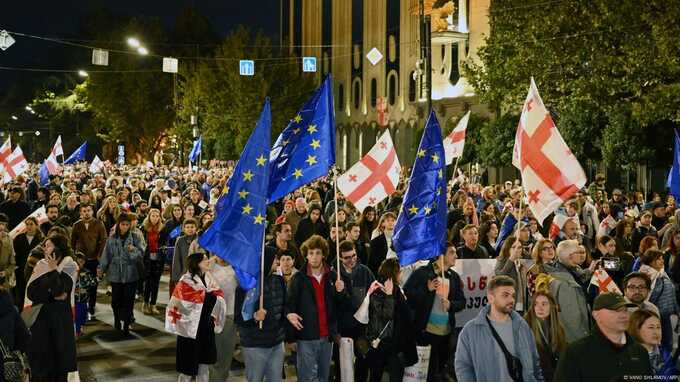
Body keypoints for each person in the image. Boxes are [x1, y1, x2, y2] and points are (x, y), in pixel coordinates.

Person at [455, 275, 544, 382]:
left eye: (513, 295)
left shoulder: (522, 326)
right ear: (491, 298)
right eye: (505, 295)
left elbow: (535, 362)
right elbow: (463, 367)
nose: (511, 300)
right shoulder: (470, 331)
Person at [286, 234, 348, 382]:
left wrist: (341, 292)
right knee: (307, 378)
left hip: (327, 337)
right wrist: (291, 338)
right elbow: (289, 307)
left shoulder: (333, 276)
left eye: (318, 253)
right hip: (306, 337)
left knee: (323, 377)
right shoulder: (298, 279)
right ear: (306, 255)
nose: (314, 257)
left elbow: (342, 306)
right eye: (311, 253)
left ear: (323, 255)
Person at [553, 293, 652, 381]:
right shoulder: (575, 353)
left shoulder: (640, 352)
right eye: (615, 310)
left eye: (625, 310)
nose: (623, 315)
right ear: (596, 315)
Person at [404, 244, 466, 381]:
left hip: (446, 333)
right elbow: (407, 295)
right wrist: (426, 289)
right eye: (452, 252)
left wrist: (451, 304)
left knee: (439, 369)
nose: (456, 256)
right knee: (428, 373)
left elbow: (462, 302)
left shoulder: (454, 277)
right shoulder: (423, 273)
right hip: (426, 333)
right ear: (441, 256)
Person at [24, 234, 78, 381]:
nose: (44, 248)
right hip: (41, 321)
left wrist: (54, 270)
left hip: (59, 322)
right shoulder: (41, 265)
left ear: (58, 248)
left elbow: (60, 291)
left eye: (48, 245)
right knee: (41, 363)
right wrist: (51, 294)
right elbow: (32, 292)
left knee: (59, 364)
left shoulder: (69, 266)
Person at [166, 252, 226, 382]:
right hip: (190, 332)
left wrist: (211, 297)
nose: (208, 261)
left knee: (204, 367)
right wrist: (209, 297)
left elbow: (217, 297)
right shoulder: (185, 282)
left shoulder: (210, 279)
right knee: (187, 369)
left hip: (206, 329)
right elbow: (181, 304)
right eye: (204, 260)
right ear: (196, 264)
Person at [236, 247, 287, 382]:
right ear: (266, 260)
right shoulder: (246, 286)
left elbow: (284, 309)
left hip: (277, 342)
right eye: (275, 259)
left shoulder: (279, 281)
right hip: (255, 344)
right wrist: (254, 317)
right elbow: (238, 318)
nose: (277, 262)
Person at [366, 258, 418, 381]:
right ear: (393, 274)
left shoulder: (397, 291)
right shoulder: (377, 291)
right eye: (399, 272)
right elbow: (386, 316)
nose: (401, 275)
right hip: (381, 344)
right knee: (376, 376)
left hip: (395, 344)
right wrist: (389, 296)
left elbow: (405, 315)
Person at [334, 240, 375, 381]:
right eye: (347, 257)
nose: (351, 260)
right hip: (342, 329)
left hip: (361, 329)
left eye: (353, 256)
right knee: (342, 366)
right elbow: (331, 306)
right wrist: (335, 332)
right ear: (340, 257)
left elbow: (373, 298)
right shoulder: (334, 274)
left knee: (363, 364)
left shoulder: (365, 272)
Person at [99, 213, 145, 335]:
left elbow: (141, 254)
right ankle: (117, 319)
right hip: (115, 274)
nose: (124, 227)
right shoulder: (112, 239)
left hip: (131, 274)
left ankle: (126, 322)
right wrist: (101, 269)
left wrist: (133, 250)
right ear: (118, 225)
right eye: (122, 224)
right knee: (115, 301)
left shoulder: (135, 237)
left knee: (128, 300)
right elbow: (106, 255)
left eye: (127, 224)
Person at [547, 240, 593, 343]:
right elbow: (572, 319)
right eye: (578, 252)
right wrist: (583, 341)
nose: (582, 255)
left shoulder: (572, 272)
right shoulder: (564, 284)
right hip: (575, 341)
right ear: (570, 256)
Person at [70, 203, 108, 318]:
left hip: (94, 258)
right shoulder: (77, 225)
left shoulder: (98, 223)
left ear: (92, 211)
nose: (86, 213)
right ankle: (81, 307)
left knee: (93, 284)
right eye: (84, 211)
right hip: (81, 259)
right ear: (81, 213)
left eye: (88, 210)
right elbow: (72, 242)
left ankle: (91, 306)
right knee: (80, 284)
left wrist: (100, 255)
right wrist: (74, 256)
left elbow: (104, 239)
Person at [637, 249, 679, 352]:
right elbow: (648, 296)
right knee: (658, 344)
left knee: (666, 343)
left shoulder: (661, 273)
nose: (662, 261)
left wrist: (676, 309)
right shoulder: (646, 275)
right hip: (654, 315)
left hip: (666, 315)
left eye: (661, 258)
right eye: (659, 259)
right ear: (651, 261)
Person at [523, 292, 567, 382]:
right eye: (536, 304)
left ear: (552, 307)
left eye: (544, 304)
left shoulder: (559, 329)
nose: (540, 308)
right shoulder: (525, 328)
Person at [627, 309, 677, 377]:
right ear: (636, 329)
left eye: (658, 327)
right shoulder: (627, 355)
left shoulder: (665, 353)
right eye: (651, 327)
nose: (656, 332)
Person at [12, 216, 42, 310]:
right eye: (27, 224)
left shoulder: (41, 239)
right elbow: (15, 255)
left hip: (36, 272)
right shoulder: (19, 238)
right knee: (20, 295)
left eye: (31, 224)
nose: (29, 226)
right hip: (21, 271)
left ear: (37, 225)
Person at [495, 236, 530, 314]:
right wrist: (511, 259)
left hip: (521, 303)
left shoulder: (522, 263)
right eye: (514, 247)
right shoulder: (501, 260)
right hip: (508, 303)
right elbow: (500, 276)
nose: (517, 250)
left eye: (519, 247)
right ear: (508, 248)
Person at [141, 208, 164, 315]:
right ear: (149, 217)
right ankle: (145, 303)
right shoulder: (144, 228)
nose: (155, 218)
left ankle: (153, 304)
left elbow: (164, 242)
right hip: (147, 258)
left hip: (158, 259)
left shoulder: (162, 228)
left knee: (156, 283)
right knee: (148, 283)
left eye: (157, 216)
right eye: (153, 216)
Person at [171, 218, 198, 295]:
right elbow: (176, 259)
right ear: (184, 229)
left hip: (197, 274)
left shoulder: (200, 240)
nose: (190, 229)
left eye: (192, 227)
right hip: (184, 273)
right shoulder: (180, 240)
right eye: (187, 227)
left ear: (196, 228)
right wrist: (176, 277)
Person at [368, 211, 397, 277]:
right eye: (388, 220)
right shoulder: (375, 242)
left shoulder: (401, 240)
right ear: (383, 223)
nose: (390, 222)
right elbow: (371, 264)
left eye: (393, 220)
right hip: (382, 276)